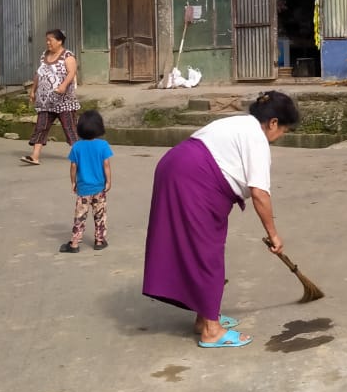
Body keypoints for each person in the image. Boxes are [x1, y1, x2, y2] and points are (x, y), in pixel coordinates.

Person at [142, 90, 299, 348]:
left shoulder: (238, 123)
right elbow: (259, 193)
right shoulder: (256, 139)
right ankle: (211, 331)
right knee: (206, 252)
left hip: (178, 169)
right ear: (273, 123)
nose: (280, 136)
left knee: (200, 249)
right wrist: (274, 234)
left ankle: (204, 317)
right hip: (192, 180)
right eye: (284, 130)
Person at [21, 28, 79, 165]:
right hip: (45, 101)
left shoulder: (68, 56)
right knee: (41, 127)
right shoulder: (44, 55)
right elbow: (39, 74)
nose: (47, 43)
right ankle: (34, 156)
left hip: (64, 101)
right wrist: (33, 90)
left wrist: (63, 86)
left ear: (59, 41)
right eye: (46, 40)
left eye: (50, 40)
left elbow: (72, 72)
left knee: (69, 128)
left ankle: (80, 155)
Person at [60, 110, 113, 254]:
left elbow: (73, 166)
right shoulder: (103, 145)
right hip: (99, 188)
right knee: (100, 214)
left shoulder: (77, 146)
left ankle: (75, 243)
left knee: (80, 216)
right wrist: (109, 181)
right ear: (99, 127)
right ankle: (99, 240)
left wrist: (73, 182)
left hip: (83, 189)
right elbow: (106, 165)